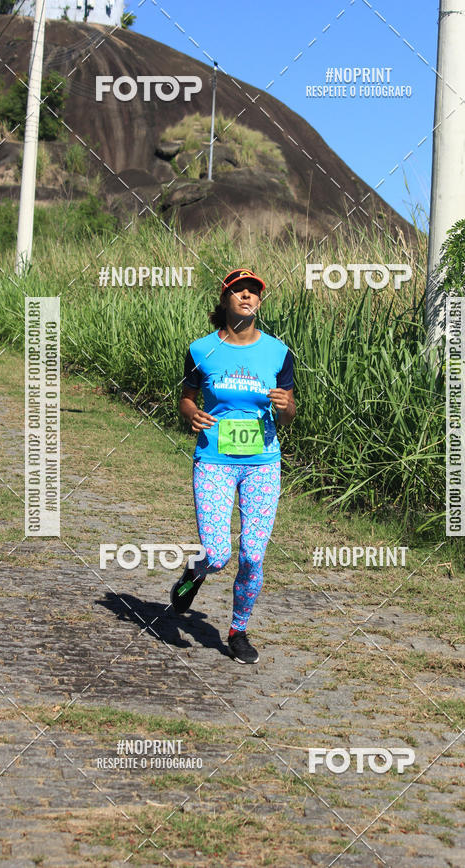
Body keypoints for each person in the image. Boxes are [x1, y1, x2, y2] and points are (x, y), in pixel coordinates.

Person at [172, 268, 296, 664]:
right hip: (215, 459)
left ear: (260, 302)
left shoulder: (278, 352)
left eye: (253, 292)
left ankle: (238, 631)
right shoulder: (200, 349)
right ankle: (195, 572)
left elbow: (291, 411)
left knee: (254, 556)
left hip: (262, 462)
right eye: (238, 291)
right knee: (217, 553)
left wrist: (285, 406)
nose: (247, 296)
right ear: (225, 300)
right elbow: (186, 398)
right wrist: (191, 412)